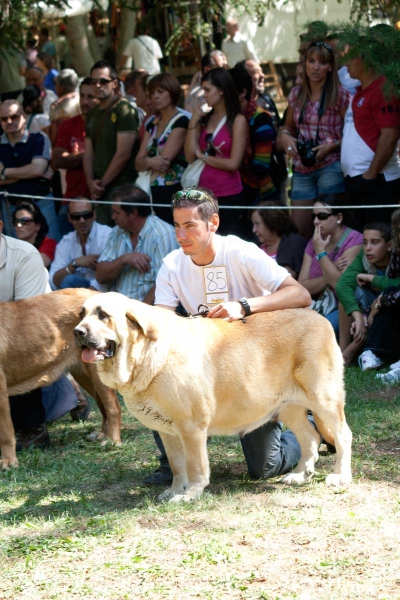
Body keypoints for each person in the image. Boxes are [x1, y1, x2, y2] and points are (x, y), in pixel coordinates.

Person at [143, 185, 312, 485]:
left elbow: (300, 295)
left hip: (255, 370)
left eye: (190, 226)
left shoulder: (241, 251)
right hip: (206, 367)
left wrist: (244, 306)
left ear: (213, 224)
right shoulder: (171, 264)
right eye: (177, 226)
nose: (181, 235)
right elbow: (163, 323)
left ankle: (308, 429)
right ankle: (173, 462)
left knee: (264, 468)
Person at [0, 214, 81, 451]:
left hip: (32, 339)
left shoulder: (24, 255)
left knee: (20, 348)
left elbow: (27, 323)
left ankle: (33, 427)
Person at [277, 41, 351, 238]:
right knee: (300, 230)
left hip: (331, 164)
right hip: (302, 167)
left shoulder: (340, 94)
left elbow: (354, 133)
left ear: (330, 67)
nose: (316, 67)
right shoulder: (296, 94)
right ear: (304, 64)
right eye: (311, 61)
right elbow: (288, 126)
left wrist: (332, 145)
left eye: (322, 62)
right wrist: (285, 137)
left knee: (329, 229)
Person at [341, 45, 400, 229]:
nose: (345, 63)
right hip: (359, 180)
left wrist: (371, 174)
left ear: (365, 59)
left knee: (379, 239)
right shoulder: (360, 92)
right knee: (363, 241)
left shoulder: (383, 89)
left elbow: (390, 134)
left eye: (350, 57)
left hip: (378, 180)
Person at [184, 68, 248, 237]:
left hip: (228, 194)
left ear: (221, 90)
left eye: (207, 89)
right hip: (203, 196)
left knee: (229, 249)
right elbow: (190, 156)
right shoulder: (205, 118)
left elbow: (234, 164)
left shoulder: (238, 120)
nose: (203, 94)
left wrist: (203, 156)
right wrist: (194, 121)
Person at [95, 184, 178, 303]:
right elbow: (100, 276)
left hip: (148, 310)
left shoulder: (163, 235)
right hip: (116, 306)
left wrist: (139, 314)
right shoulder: (117, 232)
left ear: (133, 214)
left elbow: (165, 284)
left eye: (117, 213)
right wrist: (124, 259)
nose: (113, 217)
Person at [335, 222, 399, 368]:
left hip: (388, 307)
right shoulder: (363, 256)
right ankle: (342, 350)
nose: (368, 248)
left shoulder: (396, 258)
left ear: (389, 245)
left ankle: (353, 351)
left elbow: (397, 285)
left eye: (375, 242)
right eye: (365, 243)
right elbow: (342, 285)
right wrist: (358, 316)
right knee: (347, 297)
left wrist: (371, 279)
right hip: (369, 307)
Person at [84, 60, 140, 226]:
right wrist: (90, 182)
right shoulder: (92, 113)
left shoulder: (124, 109)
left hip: (122, 189)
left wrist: (100, 185)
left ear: (115, 84)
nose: (98, 85)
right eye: (94, 81)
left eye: (103, 81)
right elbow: (88, 153)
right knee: (105, 242)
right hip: (99, 191)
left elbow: (123, 154)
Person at [298, 194, 363, 337]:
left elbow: (340, 284)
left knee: (315, 332)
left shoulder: (354, 240)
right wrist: (331, 269)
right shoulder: (313, 242)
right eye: (313, 216)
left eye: (321, 216)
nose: (316, 221)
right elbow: (301, 286)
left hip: (343, 306)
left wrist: (321, 252)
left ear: (339, 218)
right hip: (316, 304)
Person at [0, 100, 58, 241]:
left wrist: (4, 173)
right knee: (17, 252)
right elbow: (36, 171)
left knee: (50, 248)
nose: (9, 121)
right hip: (11, 206)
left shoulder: (39, 138)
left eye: (14, 117)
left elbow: (37, 169)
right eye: (4, 118)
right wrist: (29, 172)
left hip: (41, 202)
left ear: (24, 116)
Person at [135, 72, 189, 223]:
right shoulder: (152, 122)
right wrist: (150, 162)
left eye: (160, 92)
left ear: (172, 92)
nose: (155, 97)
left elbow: (164, 162)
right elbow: (138, 162)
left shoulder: (182, 121)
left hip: (172, 192)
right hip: (149, 191)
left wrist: (146, 161)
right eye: (152, 93)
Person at [229, 64, 280, 208]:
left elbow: (261, 166)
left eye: (227, 92)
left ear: (242, 93)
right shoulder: (225, 119)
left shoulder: (261, 118)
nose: (223, 97)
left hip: (259, 195)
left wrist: (231, 166)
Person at [53, 78, 98, 235]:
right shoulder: (67, 125)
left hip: (99, 201)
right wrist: (87, 156)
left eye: (91, 97)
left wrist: (74, 158)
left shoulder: (108, 124)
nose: (85, 102)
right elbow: (57, 160)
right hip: (71, 199)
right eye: (82, 96)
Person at [49, 199, 112, 290]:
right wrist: (75, 264)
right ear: (69, 218)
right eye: (76, 217)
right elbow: (53, 281)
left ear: (94, 215)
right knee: (69, 280)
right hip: (76, 294)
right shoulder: (66, 242)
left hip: (103, 293)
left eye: (87, 215)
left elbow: (111, 278)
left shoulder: (108, 236)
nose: (82, 220)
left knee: (70, 281)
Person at [251, 202, 307, 279]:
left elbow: (287, 277)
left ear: (271, 222)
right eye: (253, 224)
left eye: (257, 224)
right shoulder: (254, 246)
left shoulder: (293, 243)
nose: (254, 230)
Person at [13, 200, 57, 268]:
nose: (19, 225)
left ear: (38, 226)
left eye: (25, 221)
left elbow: (35, 268)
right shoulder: (13, 248)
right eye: (16, 221)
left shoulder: (49, 244)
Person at [184, 50, 228, 114]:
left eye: (227, 66)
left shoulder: (196, 86)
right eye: (221, 69)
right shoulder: (204, 96)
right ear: (207, 70)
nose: (226, 71)